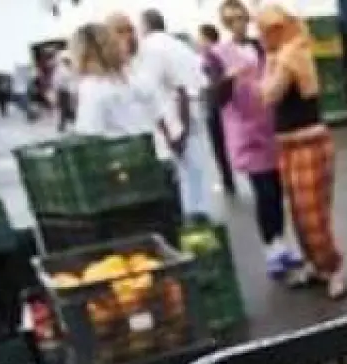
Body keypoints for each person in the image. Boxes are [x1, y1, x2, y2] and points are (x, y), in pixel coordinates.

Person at [256, 3, 347, 300]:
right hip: (289, 145)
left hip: (309, 144)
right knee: (298, 213)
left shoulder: (290, 55)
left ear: (278, 30)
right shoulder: (281, 55)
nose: (261, 37)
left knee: (313, 214)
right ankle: (315, 265)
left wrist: (267, 67)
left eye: (265, 31)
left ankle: (334, 269)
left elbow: (268, 95)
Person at [211, 0, 307, 285]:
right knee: (263, 190)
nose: (237, 24)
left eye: (241, 17)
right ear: (224, 23)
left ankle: (281, 242)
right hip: (245, 133)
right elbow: (214, 98)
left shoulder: (260, 47)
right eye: (231, 20)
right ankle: (271, 248)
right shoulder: (217, 55)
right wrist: (227, 81)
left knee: (277, 190)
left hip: (270, 127)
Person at [126, 9, 215, 223]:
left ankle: (190, 219)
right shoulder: (180, 46)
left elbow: (153, 90)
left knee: (180, 176)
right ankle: (200, 218)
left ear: (145, 26)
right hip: (193, 112)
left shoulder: (150, 49)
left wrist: (175, 131)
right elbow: (202, 81)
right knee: (195, 172)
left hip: (173, 118)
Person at [70, 24, 153, 138]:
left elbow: (89, 133)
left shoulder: (91, 87)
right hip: (143, 141)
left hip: (119, 146)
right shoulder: (127, 78)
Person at [199, 24, 237, 196]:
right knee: (226, 142)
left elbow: (214, 81)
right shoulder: (222, 53)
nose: (198, 42)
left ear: (207, 38)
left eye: (200, 38)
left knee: (218, 145)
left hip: (214, 105)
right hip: (224, 104)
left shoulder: (211, 56)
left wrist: (207, 90)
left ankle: (227, 180)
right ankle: (229, 178)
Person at [51, 54, 77, 132]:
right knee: (64, 108)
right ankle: (63, 125)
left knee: (65, 107)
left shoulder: (60, 69)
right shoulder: (63, 70)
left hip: (63, 90)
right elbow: (63, 80)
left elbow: (55, 81)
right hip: (63, 90)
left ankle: (70, 120)